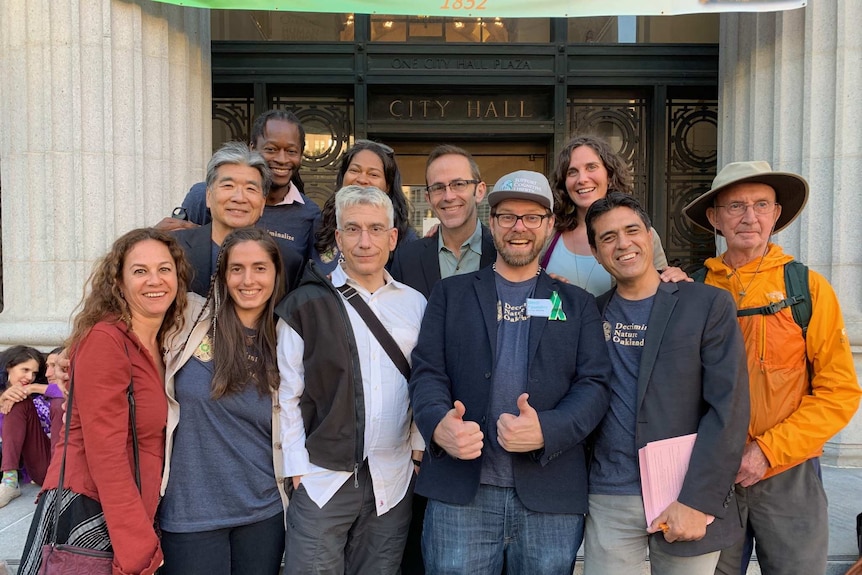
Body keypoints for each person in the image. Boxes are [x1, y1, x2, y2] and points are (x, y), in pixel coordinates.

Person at [409, 170, 611, 574]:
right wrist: (437, 425)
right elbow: (427, 372)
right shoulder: (451, 295)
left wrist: (547, 430)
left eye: (532, 217)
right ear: (493, 223)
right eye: (507, 217)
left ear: (550, 225)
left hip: (549, 495)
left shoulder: (577, 303)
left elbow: (595, 386)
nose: (519, 228)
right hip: (460, 494)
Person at [681, 160, 862, 575]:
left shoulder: (808, 288)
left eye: (762, 205)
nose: (750, 217)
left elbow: (839, 392)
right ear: (714, 217)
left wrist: (767, 451)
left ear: (776, 215)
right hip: (712, 475)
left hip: (789, 474)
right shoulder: (694, 291)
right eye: (736, 206)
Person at [582, 192, 750, 574]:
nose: (623, 243)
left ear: (650, 236)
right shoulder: (590, 314)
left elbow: (729, 408)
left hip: (682, 494)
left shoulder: (706, 305)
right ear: (595, 252)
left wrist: (699, 499)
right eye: (608, 238)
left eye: (632, 230)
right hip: (610, 495)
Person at [18, 227, 191, 575]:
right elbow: (106, 453)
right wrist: (136, 546)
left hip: (126, 511)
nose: (154, 280)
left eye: (164, 269)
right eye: (139, 271)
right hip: (91, 511)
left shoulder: (158, 342)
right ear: (119, 282)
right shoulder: (105, 340)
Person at [276, 185, 426, 575]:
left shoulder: (415, 304)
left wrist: (417, 444)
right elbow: (287, 395)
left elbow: (427, 381)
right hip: (323, 479)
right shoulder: (305, 303)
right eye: (353, 229)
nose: (364, 241)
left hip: (390, 481)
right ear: (338, 237)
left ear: (392, 238)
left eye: (376, 229)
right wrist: (298, 472)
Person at [159, 227, 287, 575]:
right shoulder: (187, 319)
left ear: (276, 274)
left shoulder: (288, 338)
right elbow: (129, 325)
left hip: (262, 512)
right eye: (237, 268)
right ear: (222, 275)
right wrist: (68, 358)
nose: (249, 280)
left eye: (260, 267)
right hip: (190, 514)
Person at [160, 109, 321, 260]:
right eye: (271, 149)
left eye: (291, 151)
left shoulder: (309, 214)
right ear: (252, 148)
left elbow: (311, 276)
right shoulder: (204, 196)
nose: (282, 159)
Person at [541, 135, 683, 295]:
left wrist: (676, 279)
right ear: (563, 183)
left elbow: (663, 290)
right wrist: (541, 286)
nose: (582, 179)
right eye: (572, 172)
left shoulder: (640, 234)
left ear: (609, 176)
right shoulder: (547, 235)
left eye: (591, 167)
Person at [173, 141, 304, 297]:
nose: (239, 198)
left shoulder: (288, 260)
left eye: (250, 189)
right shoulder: (173, 248)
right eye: (228, 186)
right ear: (208, 196)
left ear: (262, 203)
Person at [390, 144, 496, 299]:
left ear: (479, 191)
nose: (448, 196)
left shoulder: (502, 252)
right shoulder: (407, 259)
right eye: (438, 187)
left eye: (459, 184)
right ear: (428, 198)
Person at [314, 139, 418, 274]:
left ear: (388, 186)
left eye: (373, 174)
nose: (362, 179)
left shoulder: (405, 237)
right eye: (354, 170)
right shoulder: (320, 224)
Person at [0, 346, 50, 507]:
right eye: (25, 370)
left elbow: (67, 392)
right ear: (9, 367)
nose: (30, 377)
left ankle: (10, 482)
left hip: (37, 461)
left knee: (20, 401)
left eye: (34, 373)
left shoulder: (36, 394)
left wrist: (32, 388)